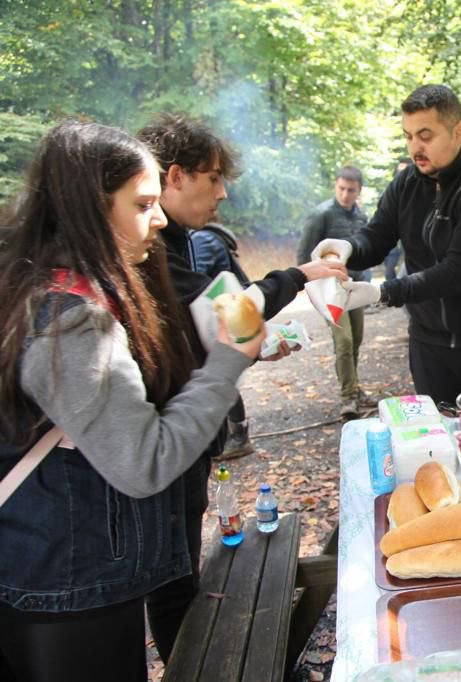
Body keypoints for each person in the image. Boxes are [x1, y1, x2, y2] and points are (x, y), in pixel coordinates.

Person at [0, 121, 264, 681]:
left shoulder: (37, 286)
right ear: (90, 210)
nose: (160, 218)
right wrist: (228, 358)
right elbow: (145, 461)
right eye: (142, 204)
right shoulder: (70, 325)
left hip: (51, 564)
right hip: (68, 583)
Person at [137, 114, 346, 662]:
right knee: (170, 575)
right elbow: (226, 311)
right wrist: (298, 277)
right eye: (213, 178)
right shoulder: (149, 247)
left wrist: (258, 340)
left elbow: (210, 323)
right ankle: (187, 665)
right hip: (166, 440)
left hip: (187, 435)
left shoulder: (175, 240)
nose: (223, 193)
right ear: (176, 176)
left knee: (178, 563)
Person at [310, 84, 461, 404]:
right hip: (429, 346)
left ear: (457, 131)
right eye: (408, 136)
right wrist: (346, 249)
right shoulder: (405, 183)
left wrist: (382, 292)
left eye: (425, 136)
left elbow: (456, 272)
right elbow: (376, 237)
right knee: (439, 433)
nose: (415, 147)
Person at [296, 165, 372, 416]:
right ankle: (348, 397)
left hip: (354, 286)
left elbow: (366, 249)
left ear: (359, 191)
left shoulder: (361, 216)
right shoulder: (322, 214)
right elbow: (304, 253)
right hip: (329, 289)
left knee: (356, 339)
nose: (345, 194)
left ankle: (354, 387)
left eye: (351, 190)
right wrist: (306, 285)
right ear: (336, 186)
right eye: (341, 188)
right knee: (344, 340)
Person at [191, 220, 255, 459]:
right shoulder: (209, 237)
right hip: (224, 316)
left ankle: (237, 436)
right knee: (224, 373)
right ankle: (236, 434)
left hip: (214, 318)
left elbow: (194, 278)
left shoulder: (202, 239)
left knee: (221, 373)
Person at [383, 158, 411, 281]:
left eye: (405, 172)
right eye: (399, 173)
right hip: (394, 248)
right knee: (390, 274)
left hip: (414, 253)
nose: (402, 176)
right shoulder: (391, 197)